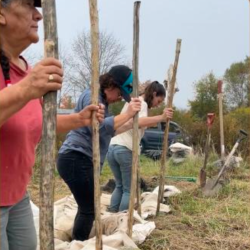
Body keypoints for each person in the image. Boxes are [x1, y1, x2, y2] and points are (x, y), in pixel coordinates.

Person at [0, 1, 104, 250]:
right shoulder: (29, 82)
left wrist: (79, 119)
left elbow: (34, 122)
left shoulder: (25, 71)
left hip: (16, 195)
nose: (38, 15)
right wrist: (26, 89)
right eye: (28, 5)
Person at [57, 65, 142, 241]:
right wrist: (127, 114)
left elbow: (108, 131)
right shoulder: (92, 97)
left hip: (79, 159)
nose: (120, 99)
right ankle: (78, 244)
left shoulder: (102, 101)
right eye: (119, 94)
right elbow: (99, 126)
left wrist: (130, 119)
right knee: (90, 209)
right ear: (111, 85)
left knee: (87, 207)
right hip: (75, 158)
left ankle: (77, 241)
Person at [107, 81, 173, 212]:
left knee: (119, 186)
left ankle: (112, 213)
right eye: (158, 100)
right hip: (124, 149)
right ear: (154, 94)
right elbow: (139, 122)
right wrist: (161, 117)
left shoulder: (131, 102)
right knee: (128, 189)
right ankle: (123, 218)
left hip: (113, 147)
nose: (158, 104)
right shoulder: (141, 103)